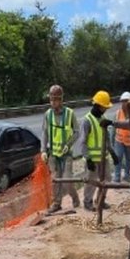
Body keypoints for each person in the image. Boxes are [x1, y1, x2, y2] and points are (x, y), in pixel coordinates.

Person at [75, 90, 116, 211]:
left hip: (104, 157)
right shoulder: (87, 121)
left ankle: (101, 199)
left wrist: (113, 153)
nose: (106, 109)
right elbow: (82, 142)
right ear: (98, 105)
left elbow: (106, 138)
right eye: (105, 107)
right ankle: (88, 202)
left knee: (107, 179)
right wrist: (88, 159)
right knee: (91, 181)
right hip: (92, 158)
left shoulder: (103, 118)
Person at [41, 85, 80, 213]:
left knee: (67, 181)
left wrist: (68, 145)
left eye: (55, 99)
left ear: (61, 100)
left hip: (66, 154)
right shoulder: (48, 114)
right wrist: (43, 150)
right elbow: (45, 133)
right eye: (51, 99)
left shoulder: (70, 113)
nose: (53, 102)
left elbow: (76, 132)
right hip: (53, 154)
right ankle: (57, 204)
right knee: (55, 181)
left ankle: (75, 198)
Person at [111, 91, 130, 183]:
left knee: (129, 159)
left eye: (126, 101)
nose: (124, 103)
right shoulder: (117, 113)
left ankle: (127, 175)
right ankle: (117, 177)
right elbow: (113, 128)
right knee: (118, 157)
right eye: (123, 101)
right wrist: (112, 141)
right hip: (119, 140)